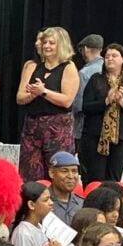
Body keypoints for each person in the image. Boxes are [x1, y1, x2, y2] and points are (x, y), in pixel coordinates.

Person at [16, 26, 79, 182]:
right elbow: (20, 97)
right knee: (29, 174)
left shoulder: (68, 67)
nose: (46, 46)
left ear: (61, 45)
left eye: (52, 43)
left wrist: (44, 92)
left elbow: (67, 100)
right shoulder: (31, 66)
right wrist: (33, 94)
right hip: (32, 127)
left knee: (57, 172)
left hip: (58, 128)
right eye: (45, 42)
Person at [81, 43, 123, 182]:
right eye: (107, 56)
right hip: (95, 137)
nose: (110, 58)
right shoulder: (96, 79)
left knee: (113, 179)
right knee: (96, 179)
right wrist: (106, 101)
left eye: (114, 55)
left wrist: (122, 101)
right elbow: (86, 107)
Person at [10, 181, 63, 246]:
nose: (51, 203)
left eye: (50, 198)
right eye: (45, 200)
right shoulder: (23, 234)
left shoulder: (40, 226)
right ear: (31, 205)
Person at [71, 34, 104, 158]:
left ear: (85, 49)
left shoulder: (84, 73)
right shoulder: (111, 70)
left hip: (85, 128)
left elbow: (78, 105)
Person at [47, 151, 84, 225]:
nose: (70, 176)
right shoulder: (42, 203)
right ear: (51, 173)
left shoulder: (82, 204)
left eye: (74, 171)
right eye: (64, 171)